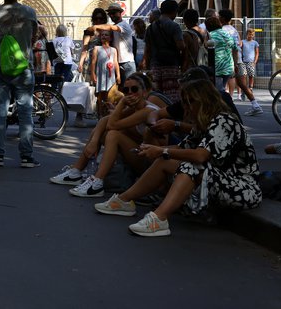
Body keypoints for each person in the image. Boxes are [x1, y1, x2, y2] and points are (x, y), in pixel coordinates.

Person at [95, 79, 262, 237]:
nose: (187, 108)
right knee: (165, 159)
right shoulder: (205, 123)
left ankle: (159, 219)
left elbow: (200, 155)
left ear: (205, 101)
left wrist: (162, 151)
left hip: (242, 188)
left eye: (191, 102)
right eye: (185, 102)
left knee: (190, 165)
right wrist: (154, 150)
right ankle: (124, 200)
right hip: (219, 179)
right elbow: (182, 149)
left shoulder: (224, 121)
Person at [68, 73, 166, 197]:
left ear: (144, 92)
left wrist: (122, 103)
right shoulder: (135, 107)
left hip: (153, 163)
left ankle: (96, 182)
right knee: (103, 133)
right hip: (143, 155)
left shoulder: (148, 110)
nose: (130, 93)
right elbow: (105, 121)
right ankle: (76, 171)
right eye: (126, 90)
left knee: (113, 135)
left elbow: (112, 125)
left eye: (134, 89)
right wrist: (94, 141)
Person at [0, 0, 40, 168]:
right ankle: (26, 156)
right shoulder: (30, 12)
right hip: (24, 66)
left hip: (1, 65)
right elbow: (34, 36)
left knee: (0, 110)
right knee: (25, 111)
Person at [141, 0, 185, 103]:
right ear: (174, 11)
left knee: (157, 92)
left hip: (155, 65)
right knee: (172, 93)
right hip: (171, 65)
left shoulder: (150, 28)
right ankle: (170, 114)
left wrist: (147, 66)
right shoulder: (174, 26)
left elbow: (147, 49)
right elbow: (181, 46)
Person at [218, 9, 260, 114]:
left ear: (222, 18)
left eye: (219, 16)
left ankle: (226, 110)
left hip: (228, 60)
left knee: (220, 86)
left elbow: (230, 46)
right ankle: (255, 105)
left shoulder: (222, 30)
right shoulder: (234, 30)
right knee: (242, 84)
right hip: (238, 59)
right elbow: (239, 44)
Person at [94, 2, 136, 80]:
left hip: (127, 63)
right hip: (116, 62)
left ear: (120, 13)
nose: (112, 15)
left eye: (114, 13)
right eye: (110, 14)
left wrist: (95, 26)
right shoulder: (114, 27)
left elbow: (111, 27)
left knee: (130, 88)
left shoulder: (124, 25)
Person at [90, 31, 120, 116]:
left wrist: (118, 75)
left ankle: (108, 114)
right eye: (102, 35)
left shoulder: (113, 49)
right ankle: (100, 114)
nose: (104, 36)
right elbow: (93, 62)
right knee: (100, 96)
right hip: (101, 74)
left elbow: (115, 62)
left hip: (111, 75)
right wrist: (93, 74)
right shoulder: (97, 48)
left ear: (110, 38)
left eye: (106, 35)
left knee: (110, 96)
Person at [205, 17, 235, 92]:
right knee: (222, 87)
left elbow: (206, 48)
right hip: (228, 66)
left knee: (217, 90)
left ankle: (222, 102)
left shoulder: (210, 35)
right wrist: (236, 63)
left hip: (216, 66)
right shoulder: (226, 33)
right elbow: (235, 48)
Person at [241, 28, 260, 93]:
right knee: (243, 75)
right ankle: (245, 88)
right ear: (247, 34)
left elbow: (257, 53)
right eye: (249, 34)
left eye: (252, 35)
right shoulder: (243, 42)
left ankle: (250, 88)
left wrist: (255, 61)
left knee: (251, 75)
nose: (250, 36)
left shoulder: (255, 43)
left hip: (251, 62)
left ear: (253, 35)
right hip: (243, 61)